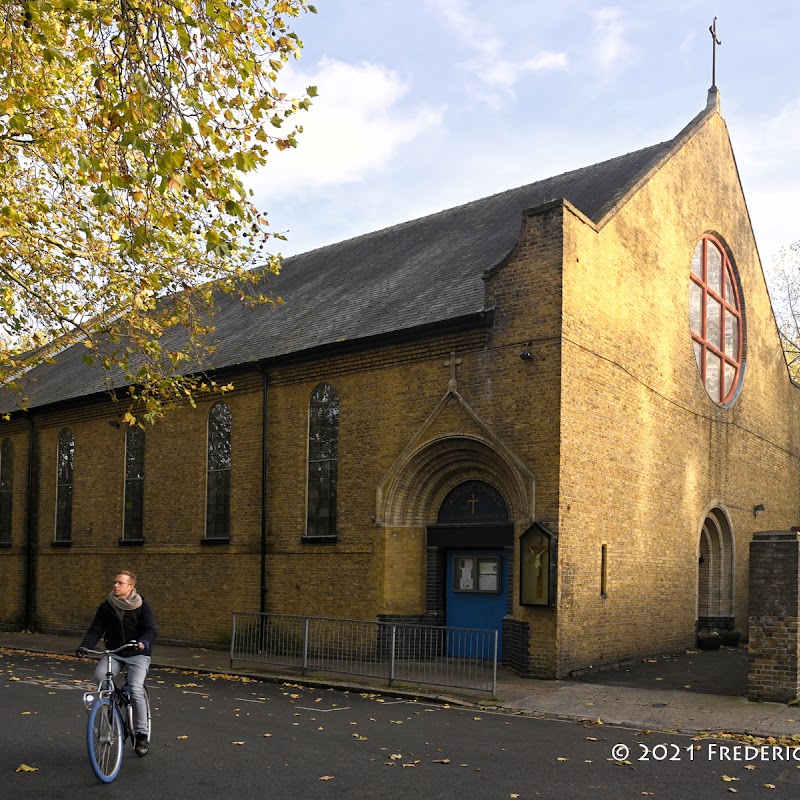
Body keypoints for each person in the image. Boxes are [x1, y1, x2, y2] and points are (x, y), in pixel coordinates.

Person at [76, 570, 157, 756]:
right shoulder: (106, 606)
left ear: (131, 587)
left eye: (120, 583)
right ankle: (114, 702)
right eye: (115, 582)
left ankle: (142, 733)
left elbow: (150, 629)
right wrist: (85, 646)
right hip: (115, 652)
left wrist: (144, 641)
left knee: (136, 688)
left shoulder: (142, 606)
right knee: (100, 677)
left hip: (138, 653)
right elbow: (96, 629)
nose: (115, 585)